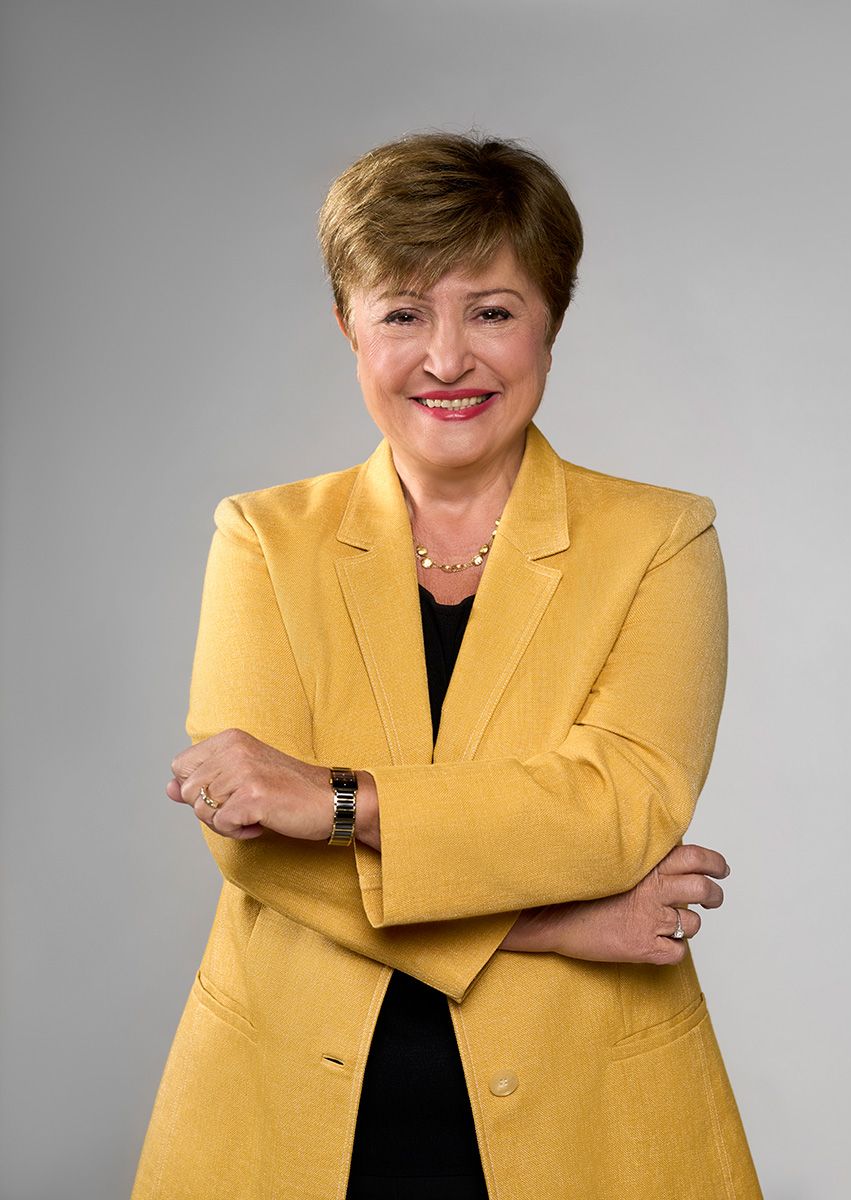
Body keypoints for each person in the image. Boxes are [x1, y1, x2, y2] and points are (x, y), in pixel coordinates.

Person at [132, 132, 761, 1199]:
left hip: (588, 1118)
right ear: (348, 327)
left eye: (492, 310)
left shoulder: (660, 539)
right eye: (402, 312)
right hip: (281, 1108)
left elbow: (615, 811)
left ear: (550, 321)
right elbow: (253, 853)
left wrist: (333, 797)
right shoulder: (263, 539)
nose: (446, 358)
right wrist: (557, 923)